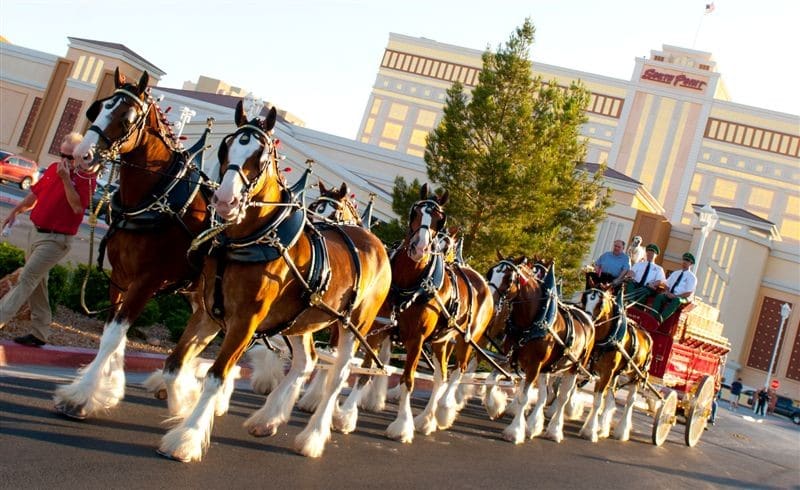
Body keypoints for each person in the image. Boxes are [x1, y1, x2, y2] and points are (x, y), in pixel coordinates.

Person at [0, 133, 98, 346]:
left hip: (56, 240)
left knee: (27, 279)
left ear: (81, 156)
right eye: (62, 154)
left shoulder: (86, 179)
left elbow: (77, 207)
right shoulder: (54, 169)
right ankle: (40, 332)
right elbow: (35, 195)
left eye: (70, 157)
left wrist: (66, 179)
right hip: (36, 232)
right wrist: (15, 211)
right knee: (37, 283)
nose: (65, 160)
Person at [651, 252, 697, 322]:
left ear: (691, 264)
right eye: (684, 260)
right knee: (659, 297)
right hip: (670, 294)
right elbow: (667, 285)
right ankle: (653, 317)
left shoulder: (692, 277)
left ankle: (661, 319)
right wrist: (667, 292)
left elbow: (688, 293)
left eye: (687, 261)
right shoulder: (675, 273)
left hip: (682, 298)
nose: (685, 262)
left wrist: (675, 296)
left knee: (677, 300)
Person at [622, 243, 666, 308]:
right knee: (630, 285)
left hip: (647, 287)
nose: (649, 254)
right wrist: (630, 276)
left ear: (656, 255)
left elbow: (660, 280)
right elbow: (631, 273)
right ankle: (628, 304)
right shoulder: (639, 264)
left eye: (652, 253)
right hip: (636, 284)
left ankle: (636, 307)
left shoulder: (659, 269)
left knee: (644, 290)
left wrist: (653, 284)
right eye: (648, 252)